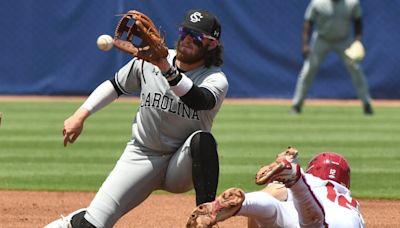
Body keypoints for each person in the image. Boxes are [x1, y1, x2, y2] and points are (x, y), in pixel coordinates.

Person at [45, 9, 228, 228]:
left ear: (212, 45)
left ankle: (206, 218)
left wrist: (165, 68)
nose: (188, 39)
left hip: (181, 162)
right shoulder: (153, 60)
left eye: (197, 36)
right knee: (92, 225)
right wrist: (81, 114)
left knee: (203, 141)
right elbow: (115, 86)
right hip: (142, 154)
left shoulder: (215, 78)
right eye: (185, 31)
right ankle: (76, 221)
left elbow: (198, 99)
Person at [187, 147, 365, 228]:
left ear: (313, 170)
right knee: (313, 222)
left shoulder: (313, 180)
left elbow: (272, 192)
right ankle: (296, 181)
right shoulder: (349, 202)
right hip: (340, 222)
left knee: (273, 210)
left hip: (297, 213)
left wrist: (245, 204)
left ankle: (244, 204)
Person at [291, 0, 373, 115]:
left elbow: (358, 21)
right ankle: (296, 105)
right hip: (322, 39)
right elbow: (308, 22)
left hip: (344, 40)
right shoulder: (318, 3)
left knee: (355, 70)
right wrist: (305, 44)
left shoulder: (352, 3)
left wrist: (357, 41)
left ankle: (367, 104)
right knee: (308, 70)